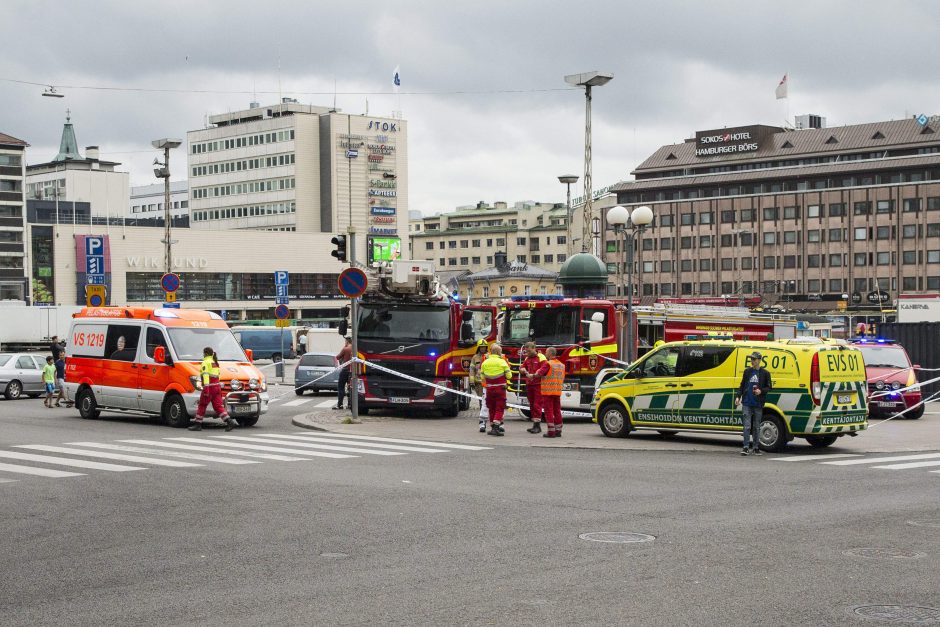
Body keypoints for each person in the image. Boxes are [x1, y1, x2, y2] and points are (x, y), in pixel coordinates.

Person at [188, 347, 238, 431]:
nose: (203, 354)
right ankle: (229, 421)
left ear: (206, 353)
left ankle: (198, 424)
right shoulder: (214, 363)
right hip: (217, 387)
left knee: (202, 405)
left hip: (210, 387)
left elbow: (206, 375)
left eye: (203, 353)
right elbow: (217, 375)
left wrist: (206, 389)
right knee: (218, 406)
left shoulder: (205, 363)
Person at [735, 351, 772, 456]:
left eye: (754, 359)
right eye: (751, 359)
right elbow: (742, 385)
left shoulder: (765, 373)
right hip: (747, 402)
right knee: (747, 426)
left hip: (758, 403)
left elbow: (769, 387)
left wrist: (761, 391)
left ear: (759, 360)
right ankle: (745, 447)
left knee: (756, 426)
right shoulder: (747, 372)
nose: (752, 361)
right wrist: (738, 396)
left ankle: (756, 447)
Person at [480, 344, 512, 436]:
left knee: (491, 407)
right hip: (500, 389)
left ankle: (492, 426)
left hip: (489, 388)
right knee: (499, 407)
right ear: (498, 352)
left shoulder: (485, 362)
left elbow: (482, 377)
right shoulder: (502, 362)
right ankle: (497, 426)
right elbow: (509, 376)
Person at [520, 341, 548, 434]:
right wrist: (522, 369)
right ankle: (535, 424)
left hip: (538, 384)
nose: (527, 353)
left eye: (528, 350)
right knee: (532, 404)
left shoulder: (541, 357)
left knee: (537, 404)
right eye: (526, 351)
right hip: (530, 384)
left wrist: (534, 375)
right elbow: (522, 367)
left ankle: (537, 425)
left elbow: (544, 368)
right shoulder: (527, 358)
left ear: (533, 348)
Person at [540, 347, 566, 438]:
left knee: (549, 412)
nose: (545, 354)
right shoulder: (562, 365)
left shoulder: (548, 364)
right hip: (557, 392)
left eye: (546, 352)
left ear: (550, 353)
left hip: (548, 392)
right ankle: (558, 430)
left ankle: (551, 432)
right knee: (557, 411)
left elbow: (539, 373)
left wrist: (530, 375)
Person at [334, 337, 353, 410]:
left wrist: (344, 347)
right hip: (352, 371)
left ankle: (340, 404)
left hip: (345, 370)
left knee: (341, 387)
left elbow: (338, 357)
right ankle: (349, 404)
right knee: (350, 387)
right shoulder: (355, 349)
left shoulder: (346, 349)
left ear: (347, 342)